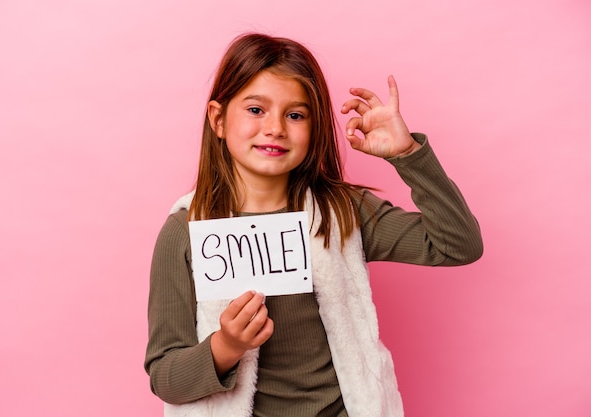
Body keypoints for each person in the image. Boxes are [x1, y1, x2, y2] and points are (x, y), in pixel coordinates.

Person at [144, 33, 483, 417]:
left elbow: (458, 245)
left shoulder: (341, 212)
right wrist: (226, 346)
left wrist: (407, 155)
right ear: (218, 120)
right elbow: (165, 377)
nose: (275, 128)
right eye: (256, 110)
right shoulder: (184, 232)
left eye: (295, 115)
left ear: (314, 127)